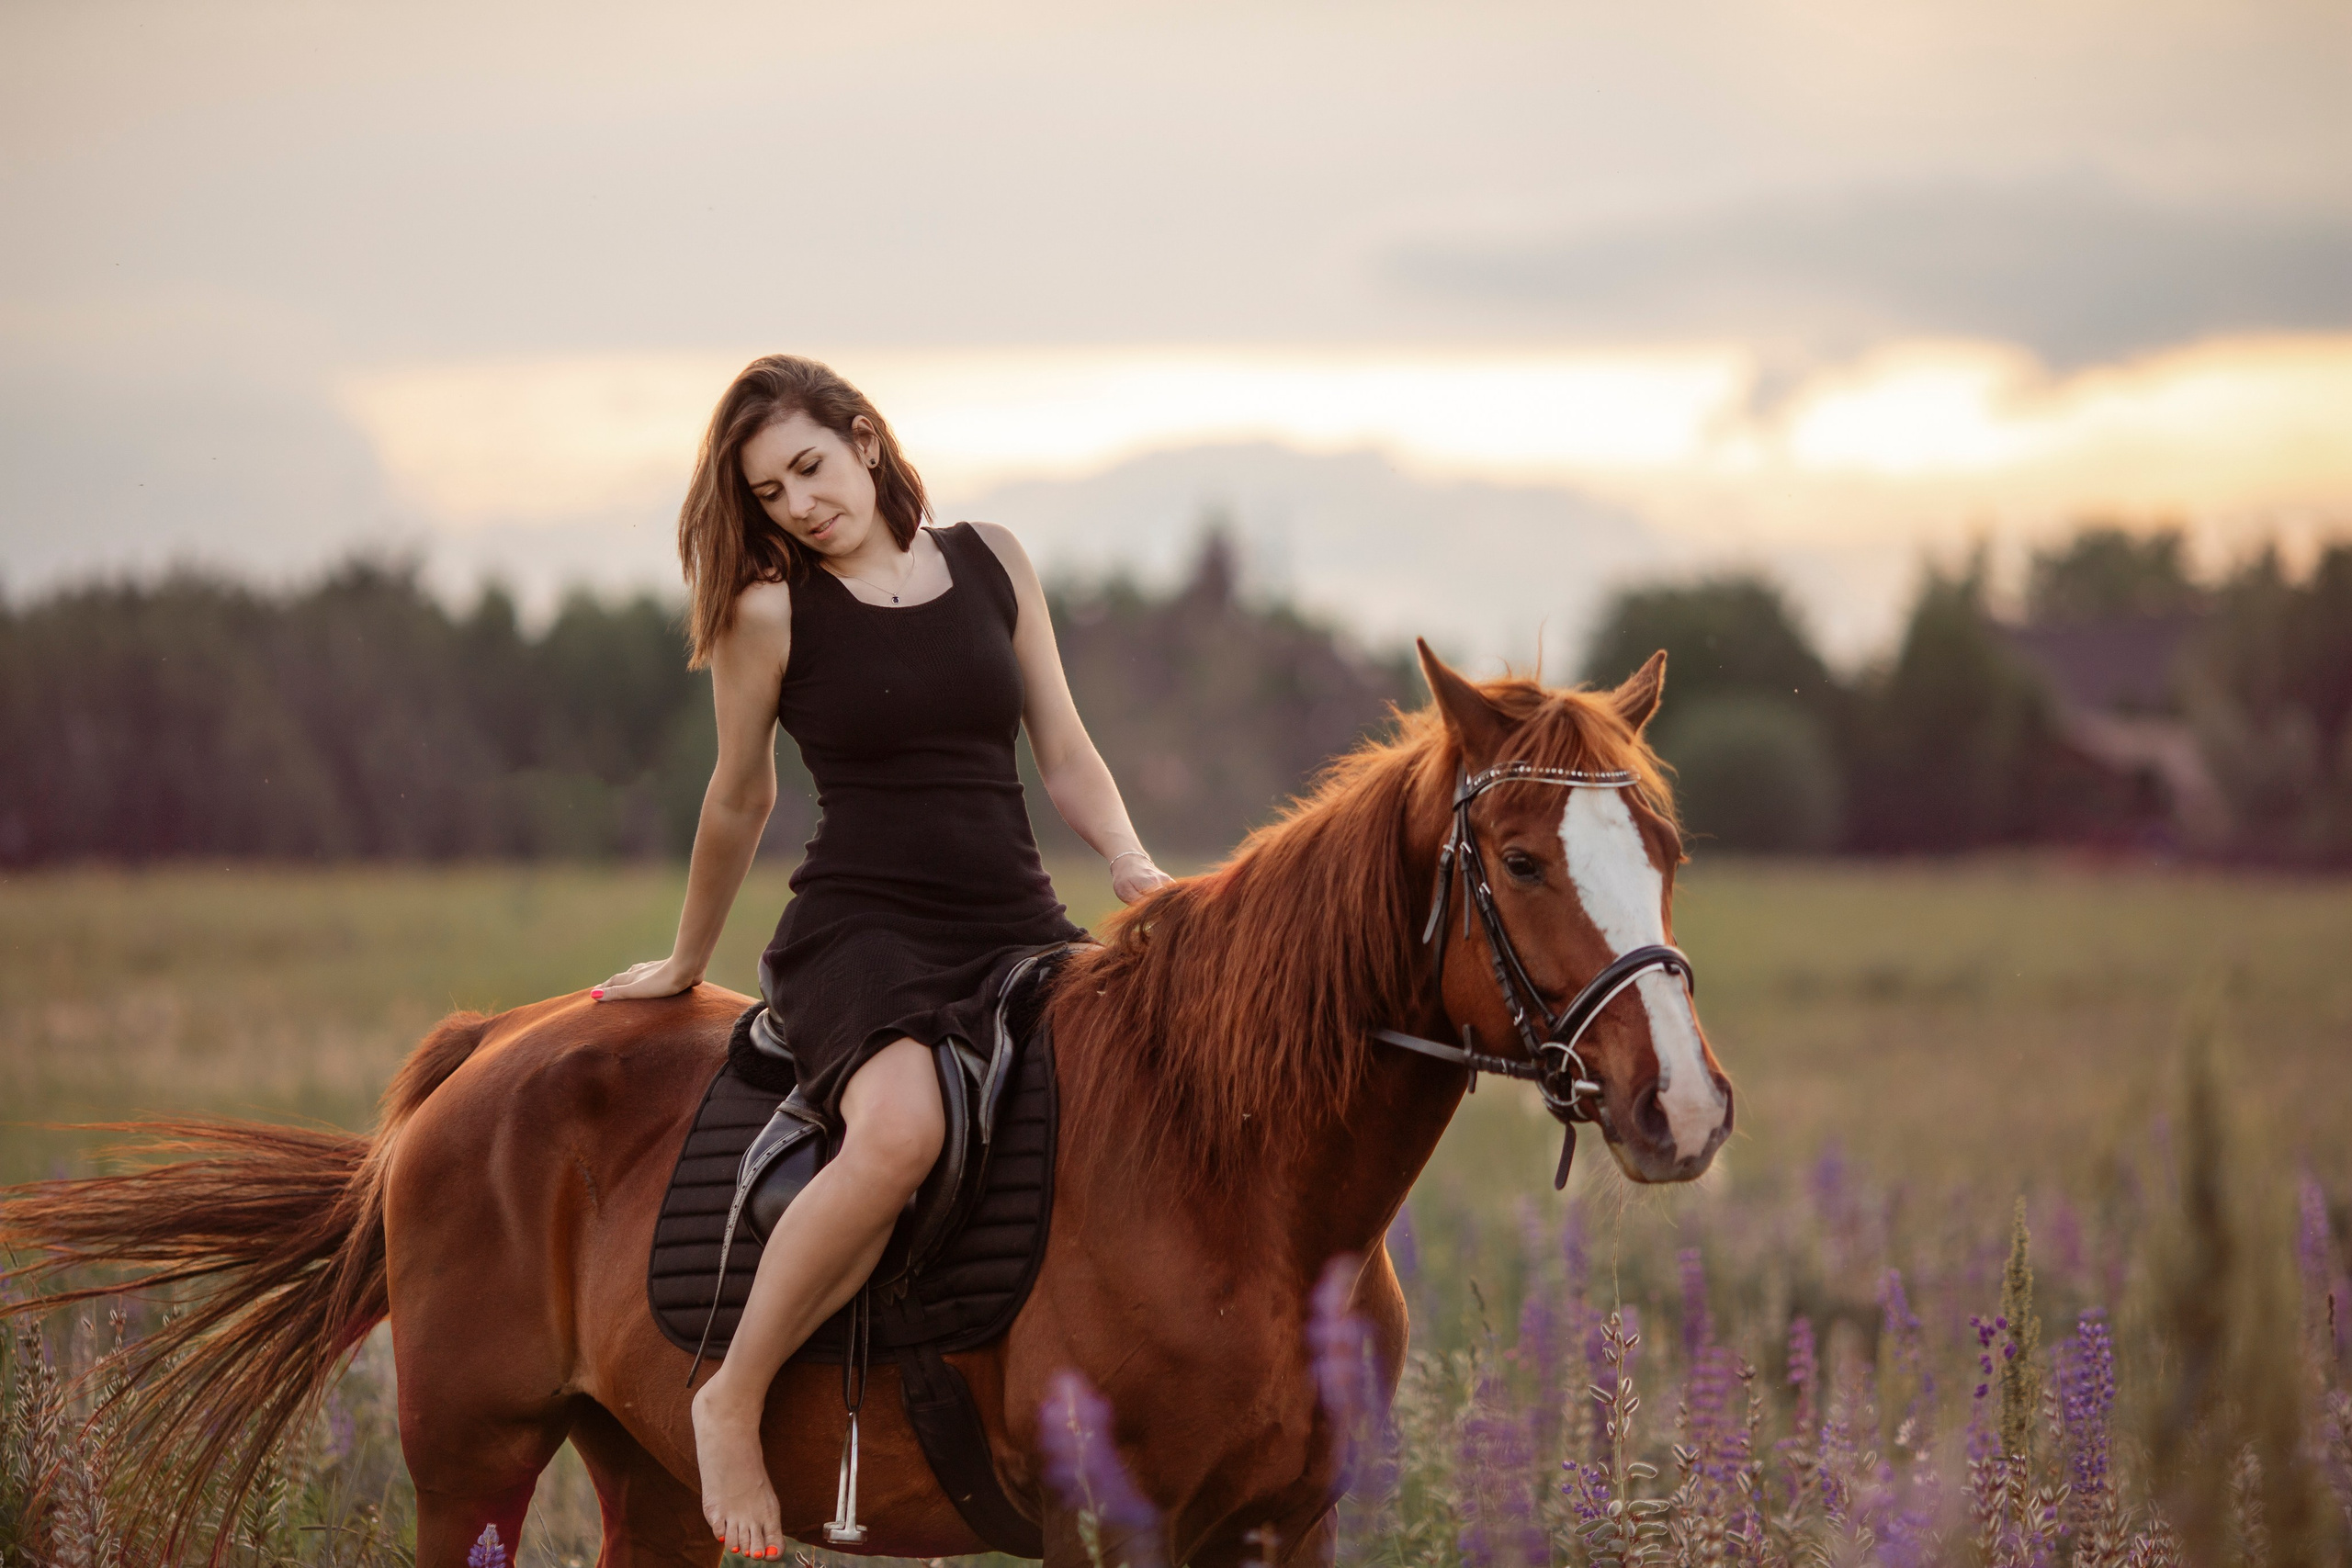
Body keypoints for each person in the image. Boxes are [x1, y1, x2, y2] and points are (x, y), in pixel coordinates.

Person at [592, 355, 1171, 1558]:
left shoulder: (995, 560)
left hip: (1012, 920)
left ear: (864, 438)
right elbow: (738, 804)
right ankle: (733, 1396)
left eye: (807, 468)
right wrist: (684, 958)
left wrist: (1131, 867)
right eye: (768, 495)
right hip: (862, 934)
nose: (798, 505)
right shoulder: (770, 614)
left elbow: (1062, 749)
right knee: (902, 1130)